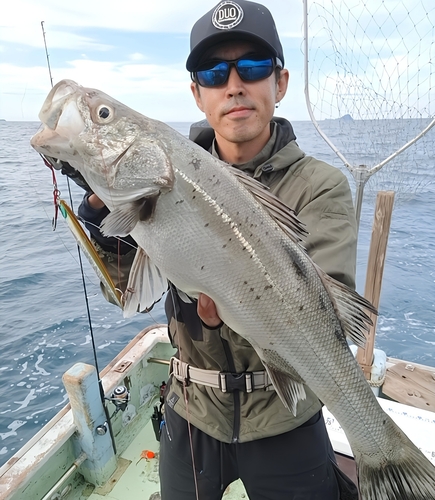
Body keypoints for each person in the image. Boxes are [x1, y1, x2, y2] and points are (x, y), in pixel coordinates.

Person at [78, 1, 359, 498]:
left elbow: (329, 310)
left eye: (252, 67)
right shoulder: (159, 177)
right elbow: (125, 294)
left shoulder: (322, 186)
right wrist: (106, 229)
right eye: (213, 71)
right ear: (196, 93)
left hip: (284, 414)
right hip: (191, 410)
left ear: (281, 83)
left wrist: (223, 301)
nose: (234, 85)